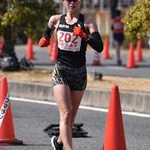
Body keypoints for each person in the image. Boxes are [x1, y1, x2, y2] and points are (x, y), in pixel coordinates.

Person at [38, 0, 103, 149]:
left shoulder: (88, 21)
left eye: (76, 0)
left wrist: (85, 37)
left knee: (70, 117)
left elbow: (99, 47)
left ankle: (59, 142)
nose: (72, 2)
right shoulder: (55, 19)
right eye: (68, 0)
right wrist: (44, 39)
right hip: (61, 69)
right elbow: (46, 34)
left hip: (79, 72)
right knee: (66, 113)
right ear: (64, 2)